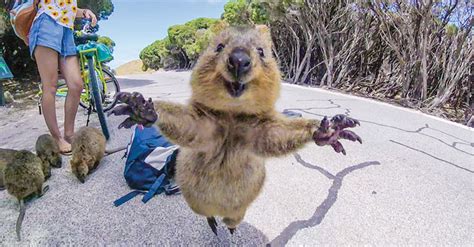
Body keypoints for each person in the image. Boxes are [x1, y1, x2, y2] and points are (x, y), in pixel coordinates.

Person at [29, 0, 97, 154]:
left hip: (67, 30)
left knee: (76, 85)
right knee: (50, 86)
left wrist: (84, 11)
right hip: (46, 23)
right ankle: (57, 138)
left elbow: (67, 6)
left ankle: (69, 134)